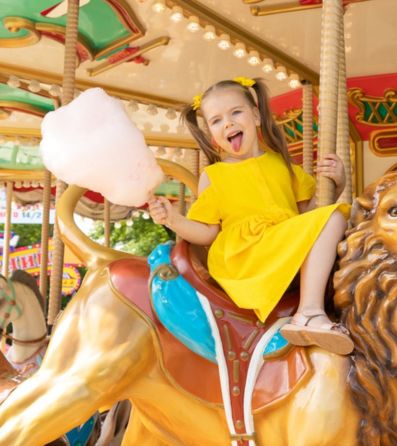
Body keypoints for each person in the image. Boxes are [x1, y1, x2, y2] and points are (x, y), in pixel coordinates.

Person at [148, 77, 354, 355]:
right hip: (248, 254)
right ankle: (309, 312)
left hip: (282, 243)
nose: (228, 124)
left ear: (256, 116)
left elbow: (309, 214)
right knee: (334, 218)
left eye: (236, 113)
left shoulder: (280, 163)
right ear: (211, 134)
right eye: (217, 121)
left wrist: (336, 185)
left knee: (335, 218)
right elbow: (208, 231)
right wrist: (174, 219)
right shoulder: (215, 175)